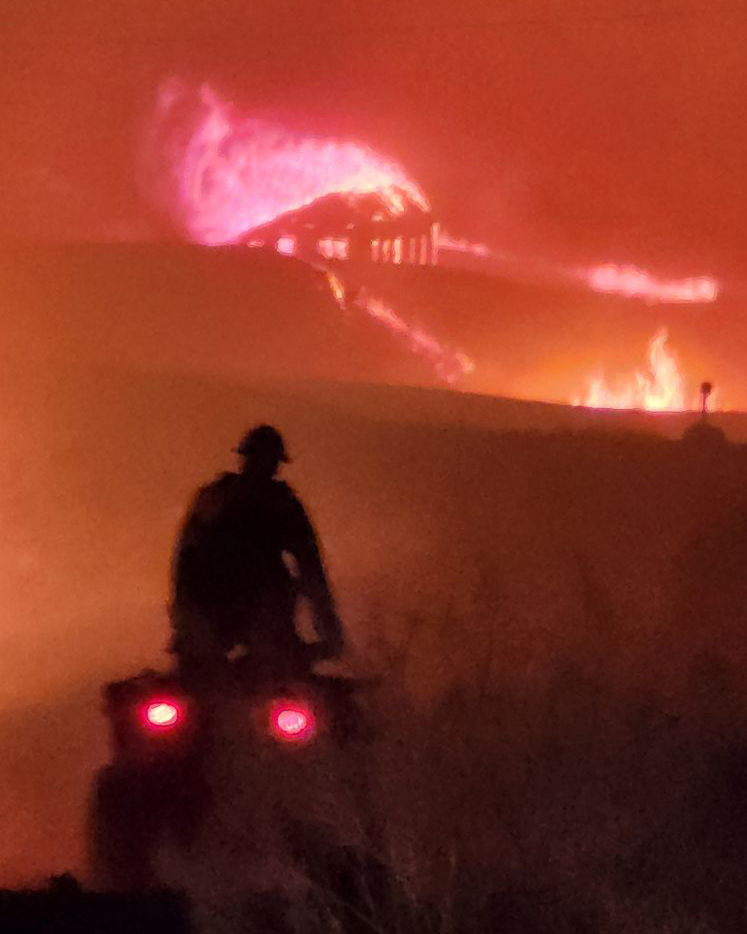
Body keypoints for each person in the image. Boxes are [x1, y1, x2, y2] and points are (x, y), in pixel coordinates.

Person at [170, 425, 343, 679]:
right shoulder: (279, 504)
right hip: (235, 612)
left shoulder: (217, 497)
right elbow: (310, 569)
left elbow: (184, 560)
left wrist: (184, 619)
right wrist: (328, 629)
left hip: (231, 613)